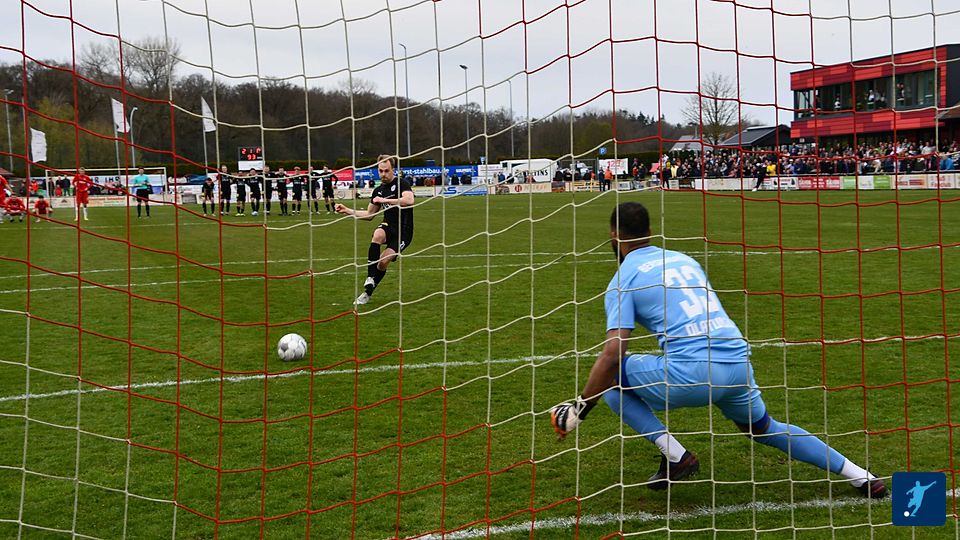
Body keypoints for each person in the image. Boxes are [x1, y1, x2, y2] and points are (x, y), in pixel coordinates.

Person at [549, 202, 886, 498]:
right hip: (737, 363)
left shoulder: (623, 279)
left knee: (612, 379)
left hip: (691, 373)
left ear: (613, 236)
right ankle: (861, 476)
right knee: (763, 428)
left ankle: (677, 456)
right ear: (650, 231)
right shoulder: (684, 260)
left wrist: (579, 408)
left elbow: (612, 353)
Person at [336, 154, 414, 305]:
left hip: (404, 232)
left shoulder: (402, 183)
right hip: (388, 226)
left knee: (382, 263)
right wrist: (347, 210)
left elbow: (409, 200)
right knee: (377, 234)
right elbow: (369, 214)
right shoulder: (378, 190)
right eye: (380, 171)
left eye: (386, 171)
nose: (383, 174)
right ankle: (370, 277)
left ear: (393, 170)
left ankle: (367, 293)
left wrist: (385, 200)